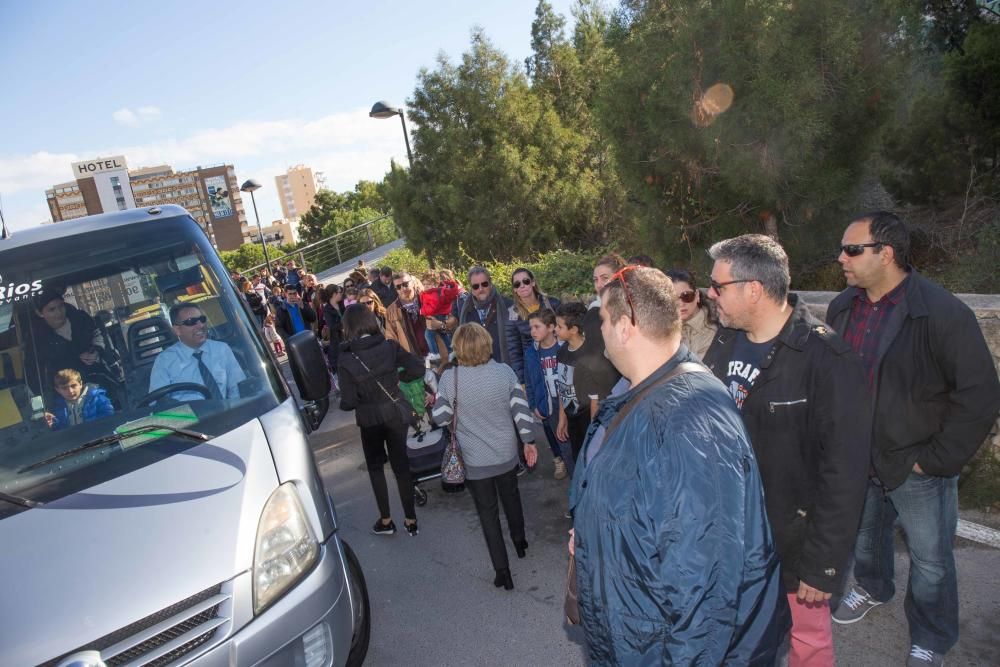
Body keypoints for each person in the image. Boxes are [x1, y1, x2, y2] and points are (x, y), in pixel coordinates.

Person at [570, 265, 788, 665]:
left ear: (624, 327)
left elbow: (706, 588)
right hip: (631, 634)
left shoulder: (692, 420)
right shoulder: (640, 392)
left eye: (602, 319)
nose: (598, 330)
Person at [826, 212, 1000, 667]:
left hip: (917, 465)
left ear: (886, 253)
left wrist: (935, 460)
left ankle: (932, 635)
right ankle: (873, 587)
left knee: (930, 562)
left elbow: (980, 396)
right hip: (858, 456)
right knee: (865, 540)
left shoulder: (942, 312)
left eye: (851, 249)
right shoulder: (843, 306)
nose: (841, 258)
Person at [701, 235, 872, 667]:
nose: (709, 294)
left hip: (792, 543)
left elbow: (845, 473)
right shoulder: (724, 340)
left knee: (807, 644)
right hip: (731, 537)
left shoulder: (826, 358)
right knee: (739, 639)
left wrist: (823, 565)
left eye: (718, 286)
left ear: (752, 289)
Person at [431, 323, 538, 590]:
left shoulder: (450, 379)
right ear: (486, 343)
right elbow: (521, 412)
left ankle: (503, 572)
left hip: (476, 461)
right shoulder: (504, 372)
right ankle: (520, 541)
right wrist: (528, 442)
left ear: (458, 349)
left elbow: (441, 418)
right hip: (506, 453)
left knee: (488, 514)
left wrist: (435, 402)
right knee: (511, 498)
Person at [338, 304, 425, 536]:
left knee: (376, 467)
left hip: (369, 418)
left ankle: (386, 520)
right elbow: (417, 368)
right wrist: (398, 379)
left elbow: (348, 402)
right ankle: (411, 519)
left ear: (348, 327)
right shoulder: (389, 346)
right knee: (401, 466)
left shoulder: (346, 358)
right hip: (395, 410)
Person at [554, 302, 620, 468]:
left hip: (586, 420)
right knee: (577, 459)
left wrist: (593, 430)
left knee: (591, 460)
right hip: (571, 417)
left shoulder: (590, 356)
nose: (555, 329)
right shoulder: (561, 352)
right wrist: (562, 417)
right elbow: (562, 386)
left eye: (559, 326)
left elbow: (595, 398)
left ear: (574, 330)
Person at [26, 288, 122, 400]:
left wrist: (96, 350)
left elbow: (99, 334)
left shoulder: (81, 318)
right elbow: (36, 375)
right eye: (52, 309)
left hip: (106, 379)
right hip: (71, 394)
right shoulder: (37, 341)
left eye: (61, 306)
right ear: (40, 313)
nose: (59, 313)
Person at [149, 304, 245, 401]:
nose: (201, 325)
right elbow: (157, 405)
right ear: (177, 330)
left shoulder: (221, 349)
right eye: (191, 322)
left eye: (202, 319)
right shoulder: (164, 361)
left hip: (227, 413)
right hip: (189, 415)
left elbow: (239, 389)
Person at [523, 308, 568, 479]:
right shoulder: (531, 353)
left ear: (550, 327)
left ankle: (573, 462)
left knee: (568, 434)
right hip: (545, 402)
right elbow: (529, 381)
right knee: (551, 432)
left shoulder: (563, 347)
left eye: (537, 327)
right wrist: (533, 404)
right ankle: (559, 459)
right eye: (531, 328)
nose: (532, 331)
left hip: (565, 401)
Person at [505, 267, 561, 385]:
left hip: (559, 362)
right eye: (517, 284)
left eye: (526, 281)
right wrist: (523, 382)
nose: (522, 286)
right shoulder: (512, 314)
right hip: (534, 370)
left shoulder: (552, 304)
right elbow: (514, 352)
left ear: (533, 282)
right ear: (514, 289)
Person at [446, 267, 513, 365]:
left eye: (484, 284)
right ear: (471, 288)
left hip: (504, 367)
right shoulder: (465, 310)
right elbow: (462, 342)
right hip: (477, 370)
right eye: (476, 286)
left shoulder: (508, 306)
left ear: (490, 284)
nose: (481, 289)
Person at [665, 268, 718, 359]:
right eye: (673, 299)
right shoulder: (663, 328)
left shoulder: (714, 328)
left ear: (697, 295)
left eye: (686, 296)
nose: (681, 304)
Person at [43, 368, 115, 430]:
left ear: (81, 384)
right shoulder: (57, 408)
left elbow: (109, 420)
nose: (70, 391)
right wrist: (53, 422)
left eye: (73, 386)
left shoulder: (98, 399)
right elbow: (59, 432)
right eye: (64, 388)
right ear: (58, 390)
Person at [384, 272, 430, 360]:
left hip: (438, 352)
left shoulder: (427, 299)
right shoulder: (391, 310)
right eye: (398, 287)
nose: (403, 289)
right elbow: (391, 338)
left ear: (412, 283)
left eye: (405, 284)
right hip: (415, 359)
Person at [419, 269, 462, 362]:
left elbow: (433, 307)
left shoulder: (434, 293)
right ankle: (451, 351)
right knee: (443, 334)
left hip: (436, 315)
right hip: (439, 315)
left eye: (429, 284)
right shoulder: (430, 292)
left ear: (435, 284)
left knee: (428, 334)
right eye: (425, 284)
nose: (426, 286)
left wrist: (422, 311)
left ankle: (434, 353)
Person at [320, 285, 343, 377]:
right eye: (339, 292)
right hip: (337, 340)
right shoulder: (327, 309)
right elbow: (332, 326)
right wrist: (344, 323)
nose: (342, 294)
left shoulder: (342, 303)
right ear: (334, 294)